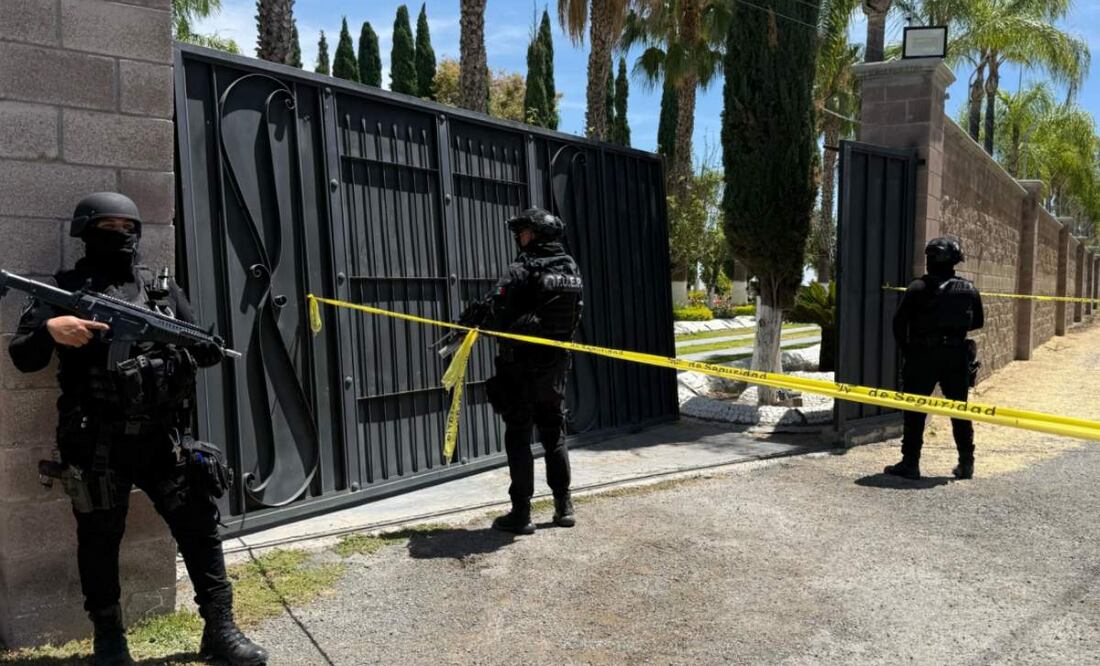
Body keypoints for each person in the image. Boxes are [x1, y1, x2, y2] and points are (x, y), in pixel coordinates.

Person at [8, 193, 267, 666]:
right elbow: (24, 357)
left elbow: (204, 344)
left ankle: (220, 628)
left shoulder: (161, 293)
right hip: (97, 440)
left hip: (162, 439)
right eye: (108, 226)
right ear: (85, 232)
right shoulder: (64, 291)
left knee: (198, 528)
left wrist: (196, 348)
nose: (120, 236)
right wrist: (52, 329)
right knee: (99, 538)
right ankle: (110, 639)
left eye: (127, 227)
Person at [472, 208, 584, 535]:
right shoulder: (571, 268)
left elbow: (493, 309)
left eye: (523, 233)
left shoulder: (522, 269)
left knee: (519, 434)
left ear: (535, 235)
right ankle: (564, 506)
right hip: (557, 365)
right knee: (554, 431)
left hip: (520, 365)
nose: (519, 238)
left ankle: (521, 513)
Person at [888, 236, 985, 481]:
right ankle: (966, 463)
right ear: (953, 261)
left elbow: (899, 324)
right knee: (958, 410)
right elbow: (978, 322)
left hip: (922, 356)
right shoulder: (968, 288)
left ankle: (910, 463)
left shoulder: (917, 288)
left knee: (915, 411)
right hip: (955, 357)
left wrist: (908, 351)